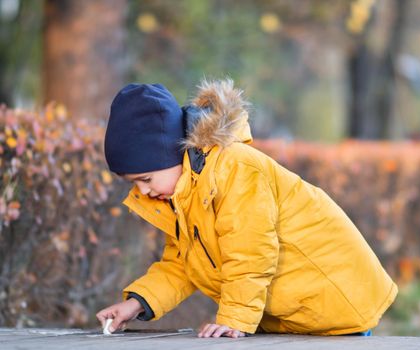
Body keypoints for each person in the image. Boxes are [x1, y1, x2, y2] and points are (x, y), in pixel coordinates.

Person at [96, 79, 398, 338]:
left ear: (170, 155)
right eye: (132, 184)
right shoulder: (185, 193)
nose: (142, 191)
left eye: (145, 179)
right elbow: (181, 265)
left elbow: (250, 252)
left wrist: (234, 319)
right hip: (295, 316)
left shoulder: (235, 169)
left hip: (333, 302)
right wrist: (135, 303)